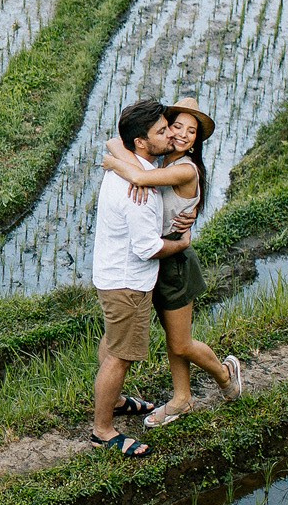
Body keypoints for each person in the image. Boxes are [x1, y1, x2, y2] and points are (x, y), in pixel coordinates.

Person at [99, 95, 244, 427]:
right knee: (169, 341)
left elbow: (138, 178)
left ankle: (225, 376)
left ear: (196, 142)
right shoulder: (162, 162)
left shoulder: (183, 169)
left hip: (174, 263)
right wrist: (121, 154)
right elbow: (117, 141)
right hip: (156, 261)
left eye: (191, 131)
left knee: (180, 343)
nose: (181, 134)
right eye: (175, 126)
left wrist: (114, 163)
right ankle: (182, 399)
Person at [90, 98, 185, 456]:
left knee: (114, 342)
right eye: (162, 131)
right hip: (128, 282)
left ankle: (113, 404)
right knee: (121, 355)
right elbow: (148, 247)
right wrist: (181, 243)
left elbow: (115, 144)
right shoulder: (139, 192)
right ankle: (102, 429)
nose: (170, 135)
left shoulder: (133, 168)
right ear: (142, 143)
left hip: (111, 273)